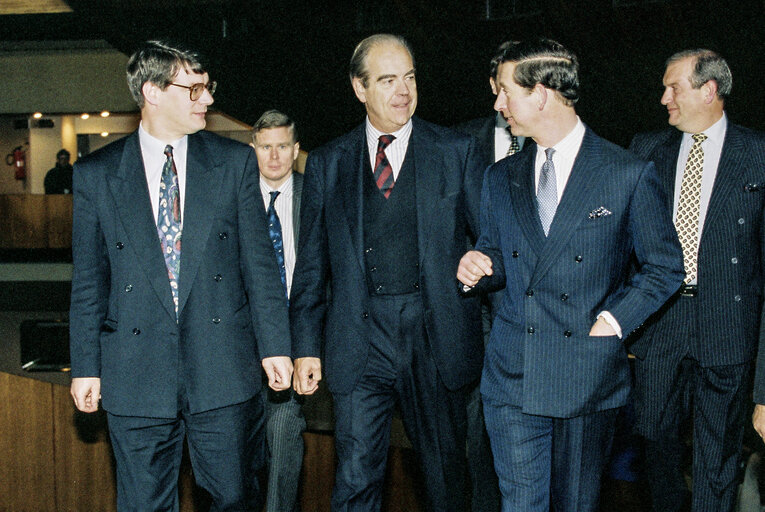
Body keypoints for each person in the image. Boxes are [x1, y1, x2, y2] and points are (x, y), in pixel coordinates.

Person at [457, 38, 684, 511]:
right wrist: (478, 265)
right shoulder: (501, 176)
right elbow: (498, 254)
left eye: (504, 92)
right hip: (511, 373)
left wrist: (614, 322)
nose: (498, 104)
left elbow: (665, 267)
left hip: (585, 373)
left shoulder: (625, 172)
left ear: (539, 93)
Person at [68, 40, 292, 511]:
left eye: (208, 88)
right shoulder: (97, 175)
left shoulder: (232, 164)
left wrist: (275, 344)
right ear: (152, 91)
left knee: (234, 498)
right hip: (135, 372)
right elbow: (89, 280)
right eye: (194, 89)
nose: (207, 99)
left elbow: (260, 265)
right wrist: (86, 364)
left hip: (223, 370)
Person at [289, 33, 484, 512]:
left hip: (436, 337)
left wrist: (479, 266)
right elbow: (311, 267)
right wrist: (304, 348)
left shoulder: (456, 150)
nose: (404, 91)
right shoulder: (328, 163)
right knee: (355, 479)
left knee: (445, 479)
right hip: (359, 341)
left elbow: (490, 242)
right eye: (389, 80)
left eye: (411, 78)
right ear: (359, 88)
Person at [630, 49, 765, 512]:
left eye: (674, 87)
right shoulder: (646, 151)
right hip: (660, 327)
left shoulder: (758, 155)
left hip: (728, 330)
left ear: (709, 90)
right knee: (653, 443)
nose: (663, 97)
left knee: (718, 459)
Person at [452, 39, 529, 512]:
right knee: (475, 439)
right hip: (470, 314)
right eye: (501, 84)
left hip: (529, 316)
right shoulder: (459, 144)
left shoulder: (556, 147)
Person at [250, 109, 306, 512]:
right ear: (254, 149)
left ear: (296, 149)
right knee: (241, 453)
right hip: (242, 341)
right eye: (266, 147)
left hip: (296, 338)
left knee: (285, 438)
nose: (274, 157)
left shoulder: (315, 195)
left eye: (282, 147)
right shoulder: (234, 197)